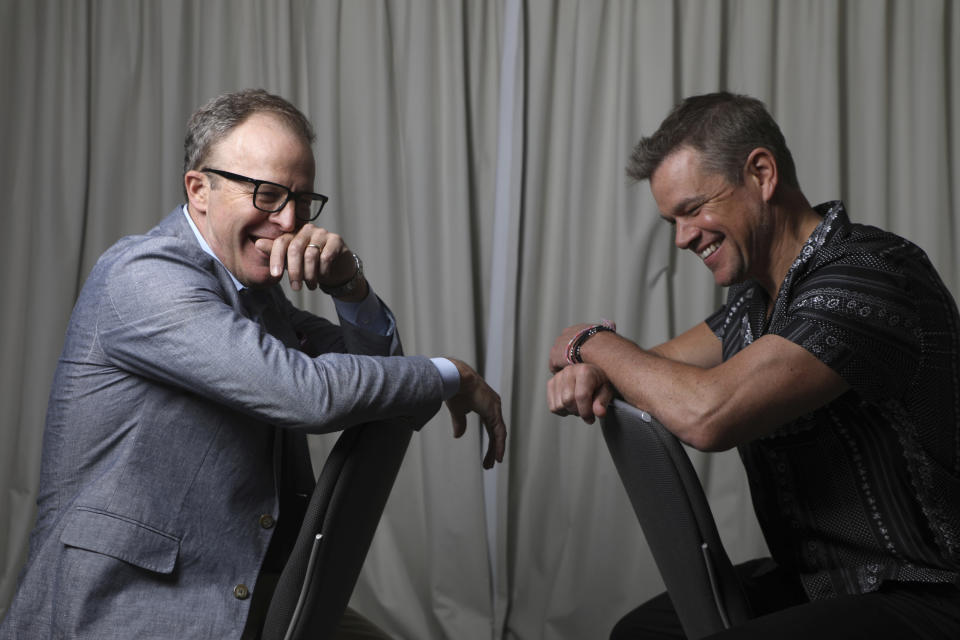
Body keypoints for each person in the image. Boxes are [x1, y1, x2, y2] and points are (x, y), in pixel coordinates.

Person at [0, 88, 506, 639]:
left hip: (240, 587)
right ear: (200, 189)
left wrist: (347, 283)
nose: (288, 220)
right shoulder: (143, 277)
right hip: (122, 607)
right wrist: (453, 373)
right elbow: (308, 395)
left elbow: (377, 375)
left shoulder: (257, 293)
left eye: (302, 199)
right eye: (266, 195)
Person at [547, 92, 960, 639]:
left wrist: (592, 343)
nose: (683, 237)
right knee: (639, 634)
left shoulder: (873, 274)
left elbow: (705, 413)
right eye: (672, 220)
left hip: (927, 591)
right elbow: (646, 367)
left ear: (761, 174)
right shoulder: (754, 304)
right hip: (821, 581)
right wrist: (586, 359)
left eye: (693, 209)